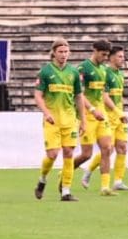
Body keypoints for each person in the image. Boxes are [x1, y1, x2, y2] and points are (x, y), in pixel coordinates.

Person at [33, 38, 93, 202]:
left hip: (70, 120)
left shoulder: (73, 73)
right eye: (60, 52)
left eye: (66, 52)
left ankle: (65, 191)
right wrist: (46, 112)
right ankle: (42, 179)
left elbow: (79, 97)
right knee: (52, 154)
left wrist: (83, 120)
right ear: (53, 53)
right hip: (52, 120)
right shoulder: (45, 71)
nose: (63, 55)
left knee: (68, 153)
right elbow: (38, 95)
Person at [83, 44, 128, 192]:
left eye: (123, 56)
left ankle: (118, 181)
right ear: (110, 58)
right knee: (108, 149)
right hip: (108, 115)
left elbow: (118, 96)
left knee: (122, 147)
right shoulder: (106, 73)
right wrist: (117, 112)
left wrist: (122, 112)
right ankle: (89, 171)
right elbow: (105, 98)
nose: (122, 59)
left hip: (119, 115)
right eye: (119, 56)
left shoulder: (120, 74)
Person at [72, 40, 116, 196]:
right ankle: (66, 172)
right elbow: (79, 94)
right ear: (94, 50)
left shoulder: (104, 70)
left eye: (107, 55)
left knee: (108, 148)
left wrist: (116, 112)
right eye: (103, 54)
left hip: (101, 116)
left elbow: (104, 95)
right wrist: (91, 109)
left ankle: (105, 187)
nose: (105, 57)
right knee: (86, 154)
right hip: (87, 116)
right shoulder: (82, 68)